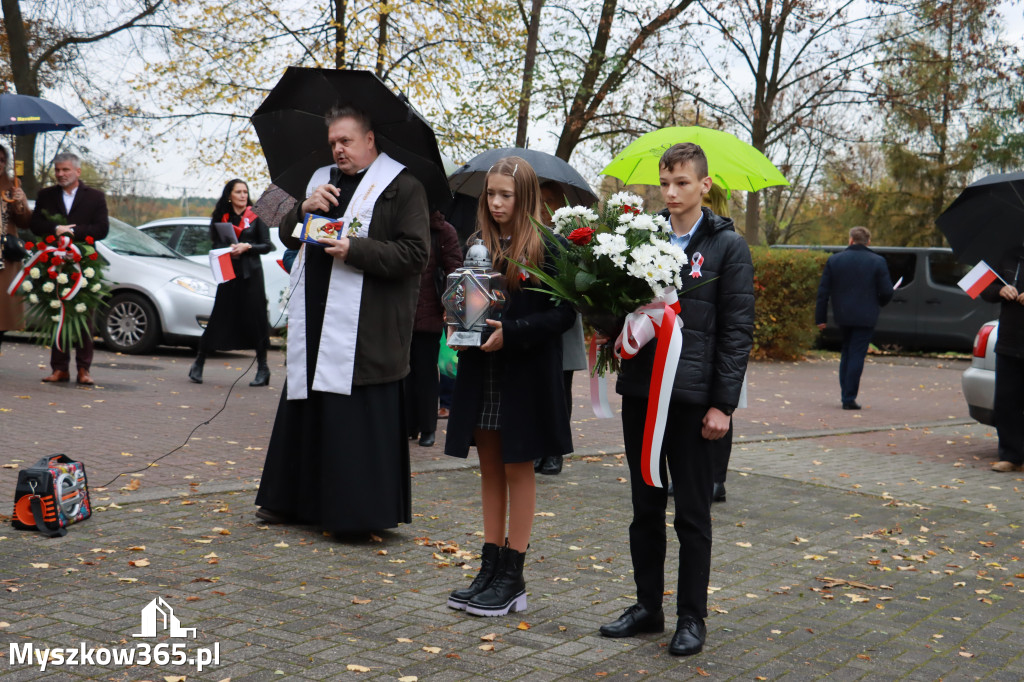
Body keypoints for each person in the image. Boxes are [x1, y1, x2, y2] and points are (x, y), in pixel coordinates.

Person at [600, 143, 754, 656]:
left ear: (704, 185)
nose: (670, 193)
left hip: (693, 401)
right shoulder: (637, 238)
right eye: (664, 183)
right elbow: (617, 312)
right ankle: (648, 607)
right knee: (644, 505)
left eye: (682, 183)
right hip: (643, 394)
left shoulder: (727, 247)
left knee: (692, 513)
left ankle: (692, 617)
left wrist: (723, 406)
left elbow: (737, 331)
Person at [254, 106, 429, 534]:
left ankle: (353, 512)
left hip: (367, 329)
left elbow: (416, 254)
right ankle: (292, 500)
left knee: (352, 421)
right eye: (334, 142)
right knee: (308, 408)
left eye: (346, 141)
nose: (338, 149)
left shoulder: (402, 187)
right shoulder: (321, 182)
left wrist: (357, 249)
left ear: (370, 140)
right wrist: (301, 210)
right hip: (315, 320)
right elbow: (283, 230)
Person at [444, 157, 575, 617]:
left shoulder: (549, 248)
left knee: (519, 470)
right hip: (483, 374)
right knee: (489, 471)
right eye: (491, 194)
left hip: (523, 377)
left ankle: (513, 575)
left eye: (506, 195)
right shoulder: (478, 243)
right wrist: (455, 322)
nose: (497, 203)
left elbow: (563, 315)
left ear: (525, 199)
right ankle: (489, 565)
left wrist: (512, 333)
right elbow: (468, 297)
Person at [30, 152, 109, 385]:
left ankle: (84, 369)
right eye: (57, 170)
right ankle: (59, 369)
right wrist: (56, 229)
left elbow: (102, 229)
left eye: (65, 170)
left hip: (83, 263)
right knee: (58, 314)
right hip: (54, 264)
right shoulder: (45, 195)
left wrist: (74, 232)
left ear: (77, 171)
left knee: (84, 316)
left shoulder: (95, 197)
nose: (60, 174)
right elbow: (35, 225)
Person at [188, 179, 275, 386]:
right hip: (228, 275)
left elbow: (267, 245)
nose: (243, 195)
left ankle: (263, 368)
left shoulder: (256, 216)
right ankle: (198, 362)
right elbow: (216, 243)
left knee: (257, 319)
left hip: (251, 276)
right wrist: (227, 249)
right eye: (239, 192)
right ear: (230, 195)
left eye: (245, 191)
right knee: (219, 316)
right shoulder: (222, 218)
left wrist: (248, 247)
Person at [536, 180, 587, 475]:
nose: (543, 207)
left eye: (549, 200)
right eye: (538, 200)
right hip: (535, 320)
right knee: (538, 388)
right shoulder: (526, 234)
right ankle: (537, 447)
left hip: (563, 320)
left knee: (560, 389)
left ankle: (555, 451)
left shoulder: (573, 236)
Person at [815, 226, 894, 410]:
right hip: (866, 315)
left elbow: (823, 292)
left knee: (847, 352)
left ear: (850, 240)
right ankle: (848, 397)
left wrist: (821, 318)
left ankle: (845, 393)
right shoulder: (878, 261)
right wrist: (880, 302)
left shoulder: (835, 260)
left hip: (843, 315)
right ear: (868, 241)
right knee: (857, 354)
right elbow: (887, 291)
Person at [405, 209, 461, 447]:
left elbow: (454, 271)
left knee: (426, 373)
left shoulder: (443, 231)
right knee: (404, 373)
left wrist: (450, 306)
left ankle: (428, 428)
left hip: (430, 312)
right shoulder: (403, 226)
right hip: (401, 312)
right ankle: (409, 426)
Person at [980, 245, 1024, 472]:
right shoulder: (1006, 255)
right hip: (1009, 342)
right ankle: (1011, 456)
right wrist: (999, 290)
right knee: (1006, 403)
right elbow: (981, 287)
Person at [0, 144, 31, 355]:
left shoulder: (12, 186)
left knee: (2, 314)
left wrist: (20, 202)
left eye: (2, 160)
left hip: (4, 260)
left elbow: (25, 222)